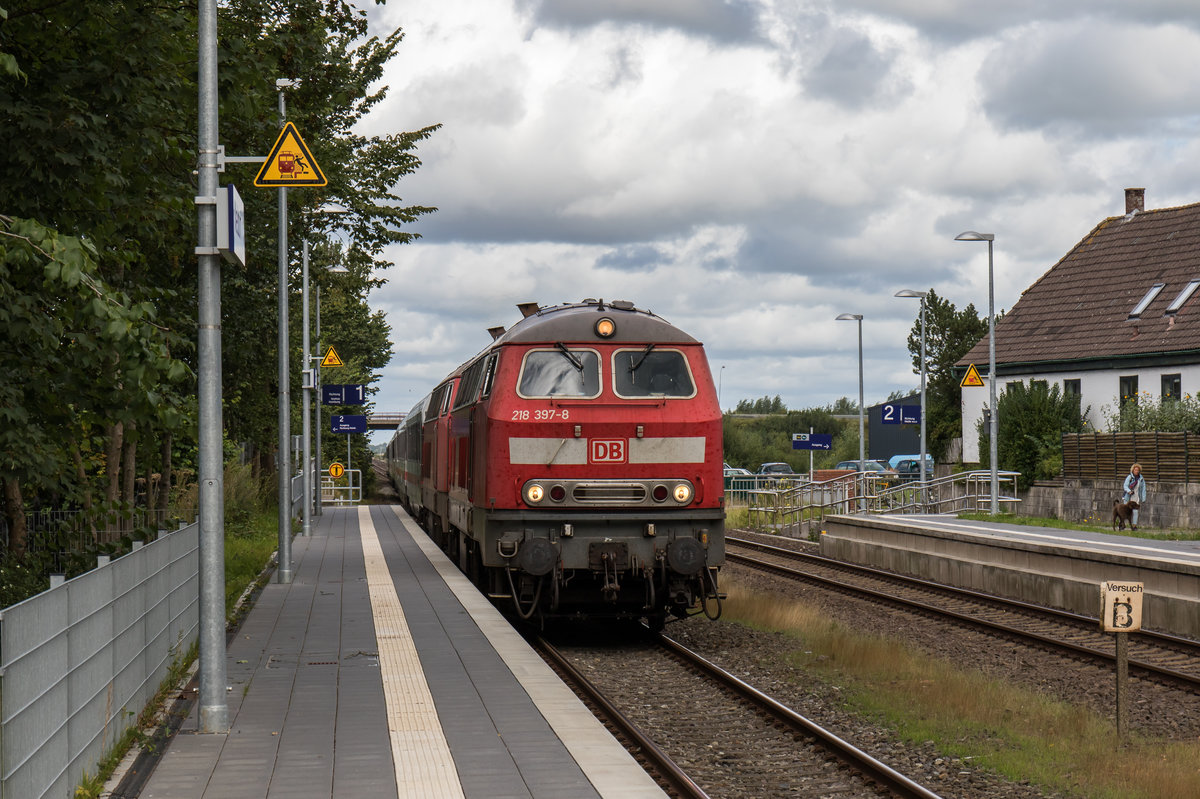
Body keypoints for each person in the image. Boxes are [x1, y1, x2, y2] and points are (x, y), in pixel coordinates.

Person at [1122, 463, 1146, 530]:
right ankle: (1122, 524)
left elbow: (1143, 488)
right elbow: (1125, 486)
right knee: (1125, 511)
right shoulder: (1130, 477)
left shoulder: (1141, 478)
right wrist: (1129, 491)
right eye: (1135, 470)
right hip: (1128, 496)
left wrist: (1143, 498)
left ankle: (1134, 526)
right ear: (1133, 470)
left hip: (1136, 497)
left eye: (1138, 470)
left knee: (1135, 512)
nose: (1136, 471)